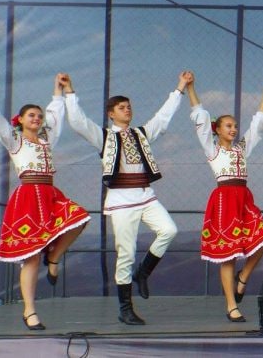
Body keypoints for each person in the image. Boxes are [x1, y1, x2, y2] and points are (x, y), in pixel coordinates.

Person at [0, 71, 90, 330]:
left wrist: (58, 89)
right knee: (31, 257)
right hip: (28, 198)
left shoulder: (46, 140)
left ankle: (54, 257)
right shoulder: (14, 140)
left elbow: (56, 115)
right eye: (31, 115)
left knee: (80, 218)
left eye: (39, 116)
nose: (37, 118)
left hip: (50, 194)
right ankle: (29, 311)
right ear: (20, 120)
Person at [64, 71, 191, 325]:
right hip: (121, 201)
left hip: (146, 196)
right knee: (126, 253)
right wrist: (69, 91)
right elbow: (78, 122)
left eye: (129, 106)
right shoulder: (104, 137)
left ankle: (143, 272)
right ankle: (125, 309)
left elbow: (163, 117)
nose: (127, 110)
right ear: (111, 114)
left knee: (169, 230)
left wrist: (180, 87)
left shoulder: (141, 133)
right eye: (122, 107)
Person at [187, 77, 263, 322]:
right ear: (217, 130)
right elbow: (200, 118)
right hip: (225, 201)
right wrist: (191, 88)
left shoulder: (241, 148)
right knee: (229, 254)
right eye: (228, 126)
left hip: (244, 199)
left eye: (235, 126)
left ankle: (242, 277)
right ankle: (231, 305)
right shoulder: (212, 149)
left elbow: (257, 124)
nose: (233, 129)